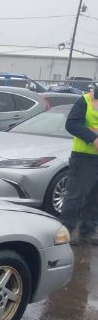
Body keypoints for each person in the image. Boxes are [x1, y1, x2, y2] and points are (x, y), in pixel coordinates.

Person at [60, 85, 98, 244]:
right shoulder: (85, 101)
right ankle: (65, 232)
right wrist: (93, 138)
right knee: (75, 196)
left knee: (95, 198)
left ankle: (87, 232)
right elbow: (72, 124)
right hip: (84, 157)